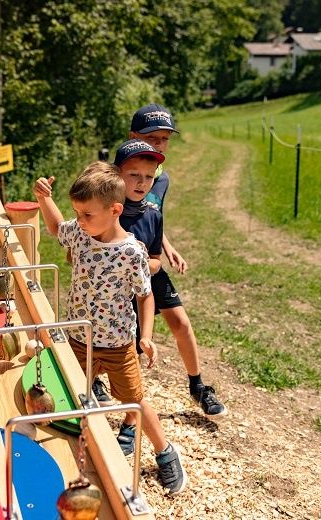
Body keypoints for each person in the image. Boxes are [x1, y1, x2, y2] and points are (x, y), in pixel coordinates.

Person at [33, 162, 188, 495]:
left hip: (118, 344)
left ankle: (165, 452)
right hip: (79, 339)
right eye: (78, 212)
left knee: (135, 400)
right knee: (70, 389)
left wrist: (146, 337)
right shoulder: (80, 232)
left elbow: (145, 296)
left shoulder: (131, 252)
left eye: (86, 214)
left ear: (115, 210)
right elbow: (57, 228)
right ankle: (67, 450)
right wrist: (44, 199)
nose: (79, 220)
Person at [93, 104, 227, 419]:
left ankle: (197, 386)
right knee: (115, 332)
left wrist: (166, 246)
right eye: (152, 138)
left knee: (180, 322)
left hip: (149, 263)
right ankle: (96, 381)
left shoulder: (159, 178)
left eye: (164, 139)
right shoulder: (113, 179)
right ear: (132, 136)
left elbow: (152, 215)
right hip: (115, 272)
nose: (159, 144)